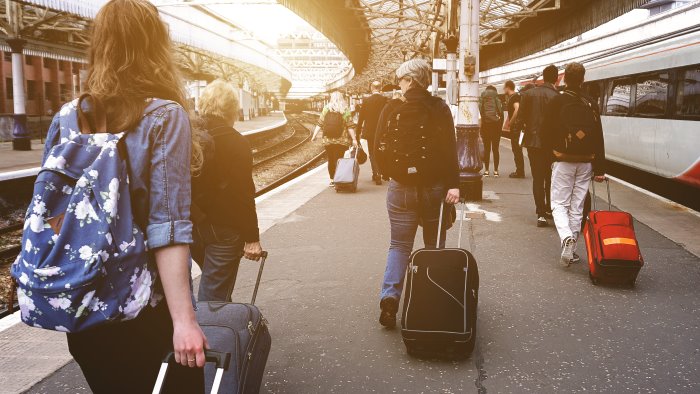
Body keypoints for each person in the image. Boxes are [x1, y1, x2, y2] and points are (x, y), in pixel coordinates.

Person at [50, 1, 207, 392]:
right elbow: (167, 227)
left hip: (85, 312)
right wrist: (184, 321)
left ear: (99, 45)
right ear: (156, 46)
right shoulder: (165, 116)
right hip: (145, 310)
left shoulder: (68, 116)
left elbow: (55, 217)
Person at [375, 59, 460, 328]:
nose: (398, 84)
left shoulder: (391, 107)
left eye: (401, 79)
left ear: (410, 80)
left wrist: (394, 174)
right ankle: (432, 300)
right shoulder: (439, 107)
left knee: (399, 246)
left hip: (400, 188)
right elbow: (450, 148)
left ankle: (390, 299)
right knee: (434, 246)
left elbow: (378, 147)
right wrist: (453, 184)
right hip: (434, 188)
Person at [191, 80, 264, 302]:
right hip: (224, 231)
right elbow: (243, 194)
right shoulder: (236, 142)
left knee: (215, 288)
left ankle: (222, 330)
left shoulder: (189, 137)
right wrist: (252, 238)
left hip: (192, 227)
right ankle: (211, 333)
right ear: (232, 108)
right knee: (213, 298)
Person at [541, 62, 606, 266]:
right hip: (586, 162)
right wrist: (600, 168)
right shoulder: (591, 102)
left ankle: (566, 238)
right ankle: (572, 250)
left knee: (559, 203)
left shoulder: (557, 101)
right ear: (583, 79)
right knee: (577, 206)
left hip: (563, 160)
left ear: (564, 79)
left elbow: (545, 132)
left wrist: (549, 158)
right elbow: (598, 136)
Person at [519, 65, 559, 227]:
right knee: (551, 178)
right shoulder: (557, 96)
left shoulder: (528, 94)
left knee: (538, 178)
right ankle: (550, 208)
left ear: (543, 76)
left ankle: (540, 214)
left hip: (533, 143)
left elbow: (521, 117)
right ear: (556, 78)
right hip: (551, 144)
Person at [311, 91, 358, 185]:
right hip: (341, 140)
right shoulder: (345, 109)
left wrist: (314, 136)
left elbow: (320, 123)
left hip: (327, 139)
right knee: (338, 159)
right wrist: (354, 139)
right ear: (342, 98)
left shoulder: (326, 108)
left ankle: (332, 179)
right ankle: (338, 178)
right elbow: (350, 126)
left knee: (331, 159)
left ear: (331, 98)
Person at [356, 81, 388, 184]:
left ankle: (376, 174)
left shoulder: (366, 101)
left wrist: (357, 134)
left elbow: (361, 119)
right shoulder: (385, 100)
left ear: (371, 88)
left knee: (372, 152)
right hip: (382, 131)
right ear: (380, 88)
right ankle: (381, 172)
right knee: (381, 151)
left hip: (370, 132)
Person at [478, 85, 503, 177]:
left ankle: (487, 170)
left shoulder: (482, 98)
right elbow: (501, 112)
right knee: (495, 149)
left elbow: (479, 111)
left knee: (487, 149)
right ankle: (496, 171)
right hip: (495, 126)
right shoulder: (497, 98)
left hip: (485, 126)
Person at [502, 81, 525, 178]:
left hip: (516, 128)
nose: (504, 89)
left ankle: (520, 172)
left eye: (504, 87)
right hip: (518, 127)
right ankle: (520, 170)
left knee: (516, 149)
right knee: (517, 149)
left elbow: (517, 108)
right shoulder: (516, 96)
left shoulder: (514, 97)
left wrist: (510, 122)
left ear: (508, 87)